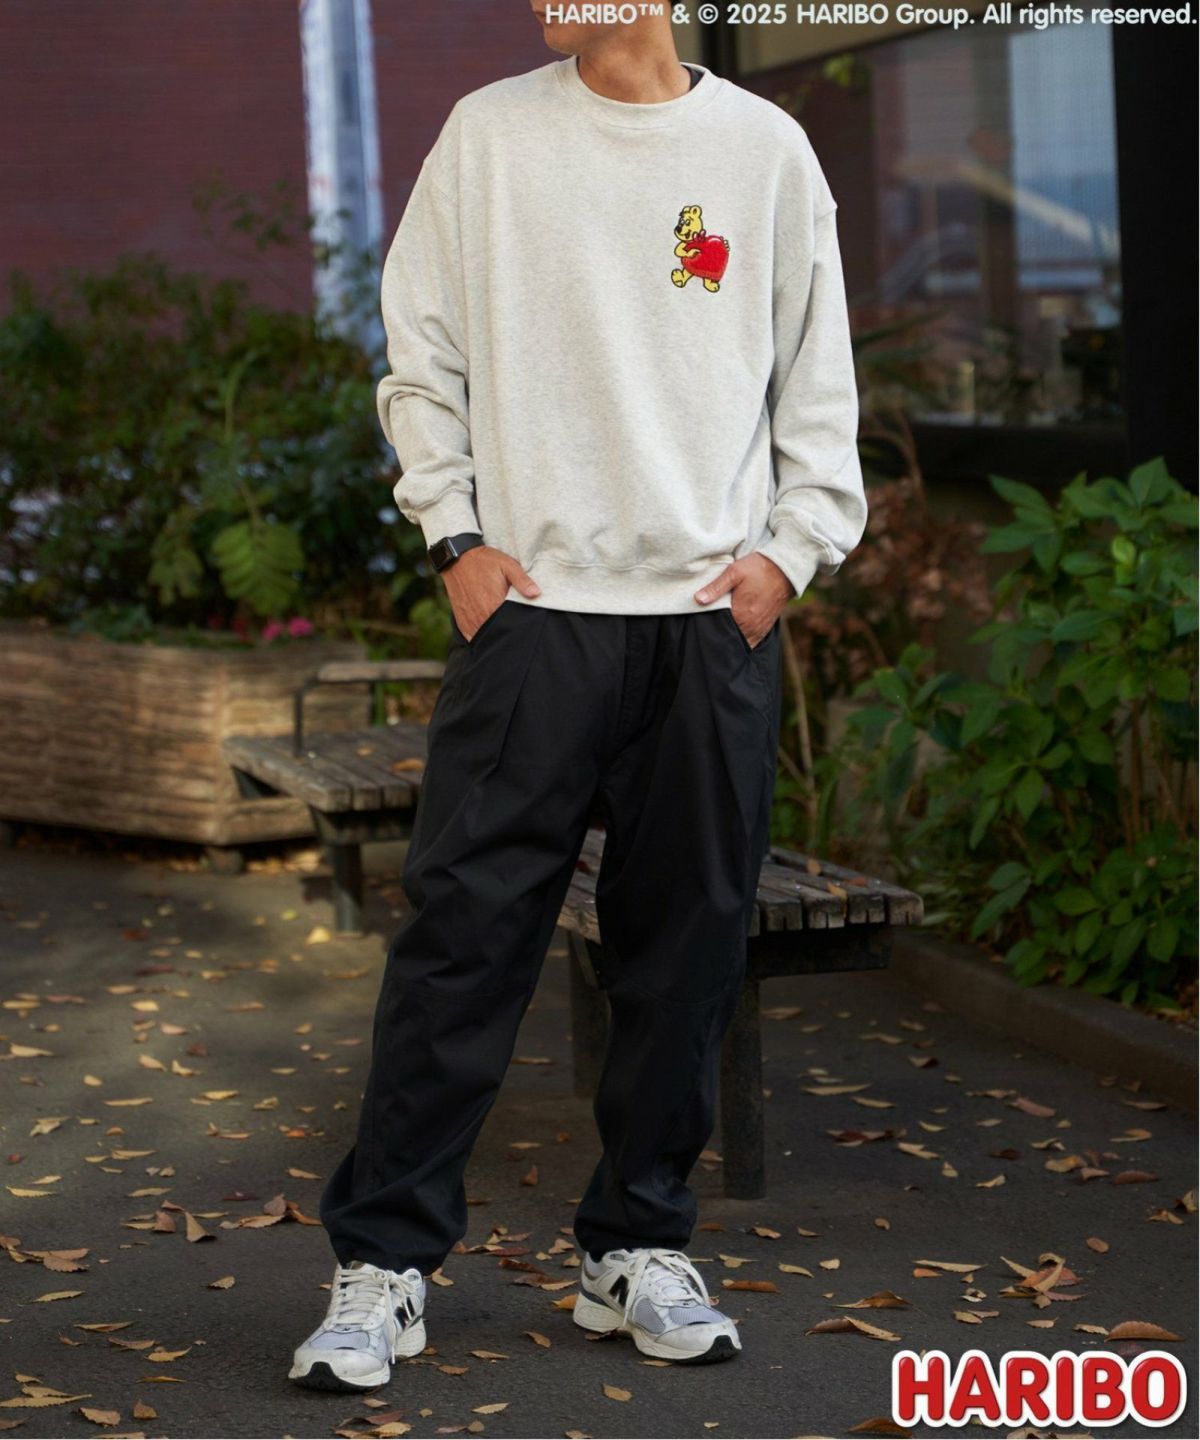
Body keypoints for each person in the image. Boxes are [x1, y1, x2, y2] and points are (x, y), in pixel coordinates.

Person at [290, 1, 868, 1391]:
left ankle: (637, 1247)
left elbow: (818, 382)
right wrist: (454, 538)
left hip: (708, 630)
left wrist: (789, 556)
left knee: (687, 957)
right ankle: (383, 1266)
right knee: (462, 945)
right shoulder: (488, 139)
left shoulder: (765, 151)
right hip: (534, 622)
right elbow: (420, 358)